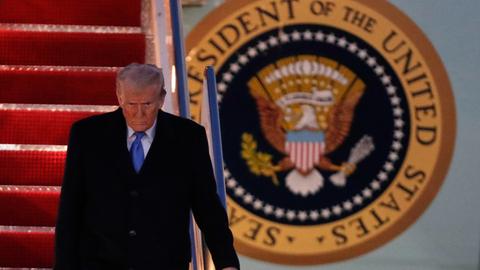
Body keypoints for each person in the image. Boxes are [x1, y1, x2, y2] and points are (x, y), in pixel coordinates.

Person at [54, 63, 240, 270]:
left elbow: (207, 206)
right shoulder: (87, 135)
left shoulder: (188, 137)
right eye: (132, 104)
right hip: (99, 261)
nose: (139, 114)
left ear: (162, 98)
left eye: (148, 104)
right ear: (119, 97)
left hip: (164, 262)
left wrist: (227, 263)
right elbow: (71, 208)